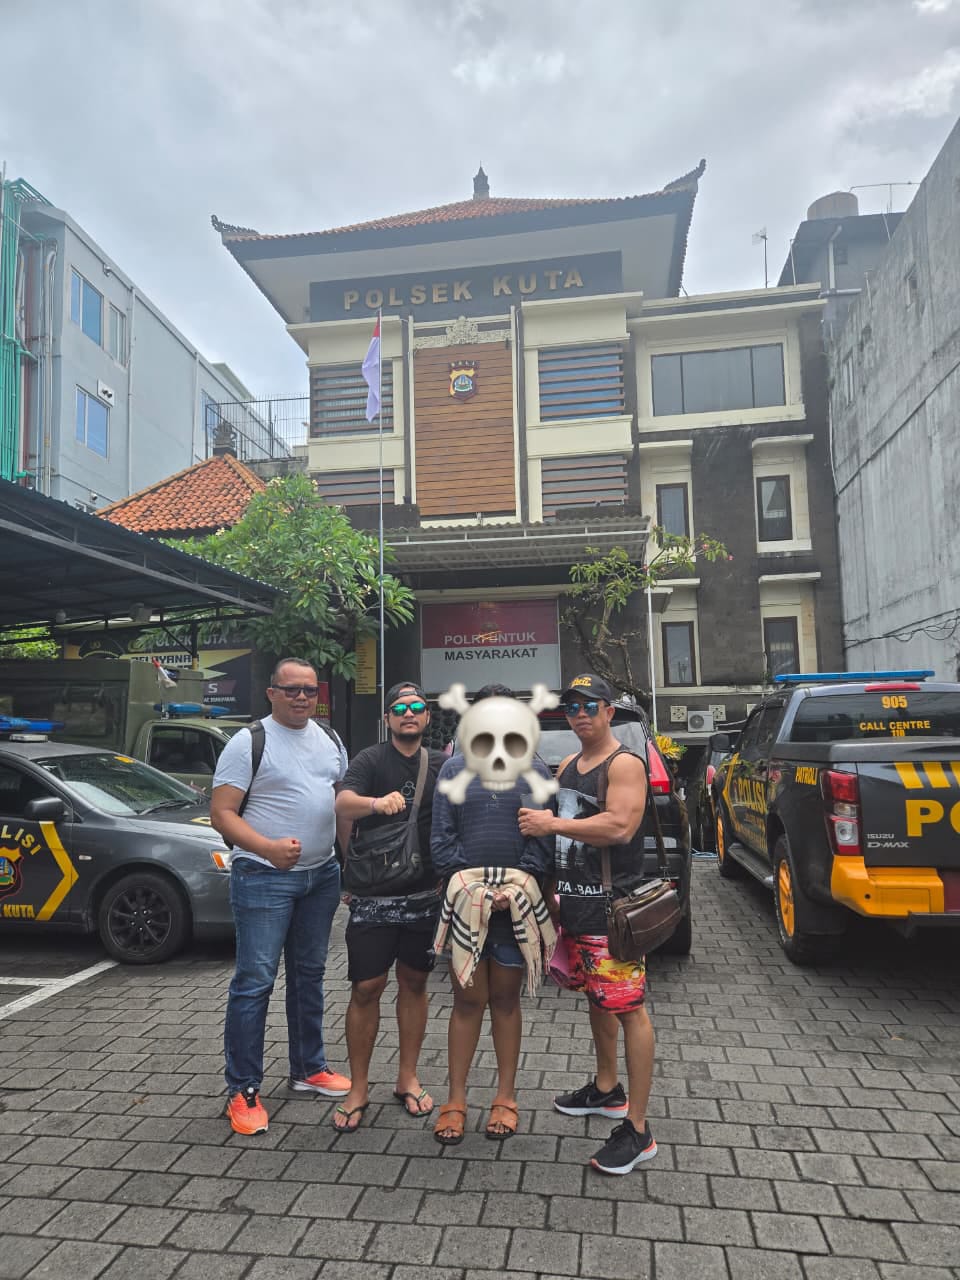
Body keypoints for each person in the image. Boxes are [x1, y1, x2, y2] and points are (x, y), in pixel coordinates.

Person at [518, 673, 656, 1175]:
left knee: (629, 1009)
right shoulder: (570, 766)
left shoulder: (625, 764)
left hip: (611, 912)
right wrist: (554, 895)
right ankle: (606, 1089)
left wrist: (551, 822)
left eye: (589, 705)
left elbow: (620, 826)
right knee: (598, 1000)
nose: (579, 714)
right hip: (576, 908)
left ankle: (638, 1130)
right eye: (572, 706)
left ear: (608, 712)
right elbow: (565, 844)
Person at [211, 657, 351, 1136]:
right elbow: (222, 813)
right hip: (262, 877)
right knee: (255, 982)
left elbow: (339, 806)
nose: (301, 697)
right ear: (271, 693)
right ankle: (243, 1088)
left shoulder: (330, 739)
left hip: (321, 876)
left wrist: (349, 866)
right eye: (291, 689)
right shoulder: (248, 741)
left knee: (310, 976)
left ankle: (308, 1068)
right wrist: (267, 848)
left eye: (309, 690)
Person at [431, 684, 555, 1145]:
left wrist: (514, 887)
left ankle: (506, 1097)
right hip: (467, 904)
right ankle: (455, 1100)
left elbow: (543, 841)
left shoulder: (534, 769)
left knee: (505, 1000)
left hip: (514, 908)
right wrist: (476, 888)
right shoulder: (453, 768)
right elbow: (441, 838)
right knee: (466, 1001)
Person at [332, 682, 447, 1133]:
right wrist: (376, 803)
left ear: (427, 717)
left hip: (425, 895)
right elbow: (343, 803)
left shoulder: (440, 764)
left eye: (417, 706)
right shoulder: (370, 759)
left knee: (414, 983)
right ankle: (358, 1088)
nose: (409, 713)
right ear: (387, 718)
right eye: (400, 708)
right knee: (366, 987)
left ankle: (407, 1078)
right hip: (374, 897)